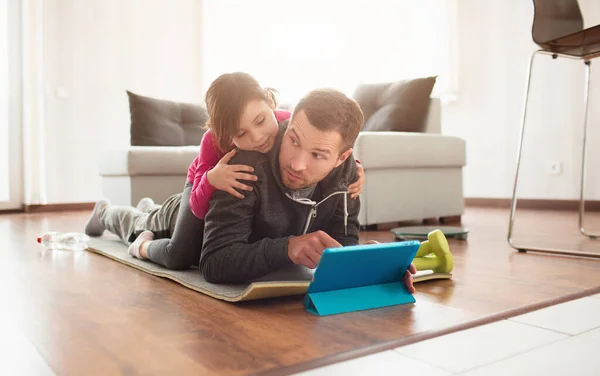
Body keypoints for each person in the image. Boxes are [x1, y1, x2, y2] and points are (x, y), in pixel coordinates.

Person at [84, 85, 416, 291]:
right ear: (288, 123)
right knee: (156, 232)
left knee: (154, 217)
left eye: (318, 155)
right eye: (294, 140)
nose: (298, 164)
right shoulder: (243, 166)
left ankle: (146, 209)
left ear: (341, 157)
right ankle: (110, 212)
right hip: (194, 212)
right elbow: (213, 264)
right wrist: (287, 248)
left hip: (226, 220)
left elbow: (341, 241)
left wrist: (371, 265)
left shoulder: (346, 175)